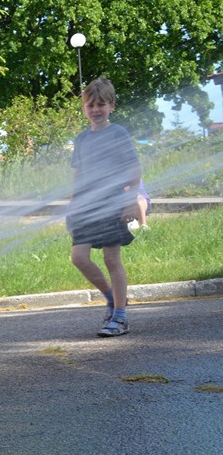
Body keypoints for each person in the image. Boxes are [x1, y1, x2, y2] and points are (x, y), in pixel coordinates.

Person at [66, 77, 141, 337]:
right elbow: (78, 174)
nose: (95, 110)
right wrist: (73, 207)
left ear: (112, 106)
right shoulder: (82, 138)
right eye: (90, 105)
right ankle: (111, 298)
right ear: (84, 108)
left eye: (101, 104)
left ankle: (119, 317)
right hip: (86, 207)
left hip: (112, 205)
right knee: (79, 257)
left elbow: (134, 169)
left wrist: (131, 200)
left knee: (111, 259)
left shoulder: (118, 133)